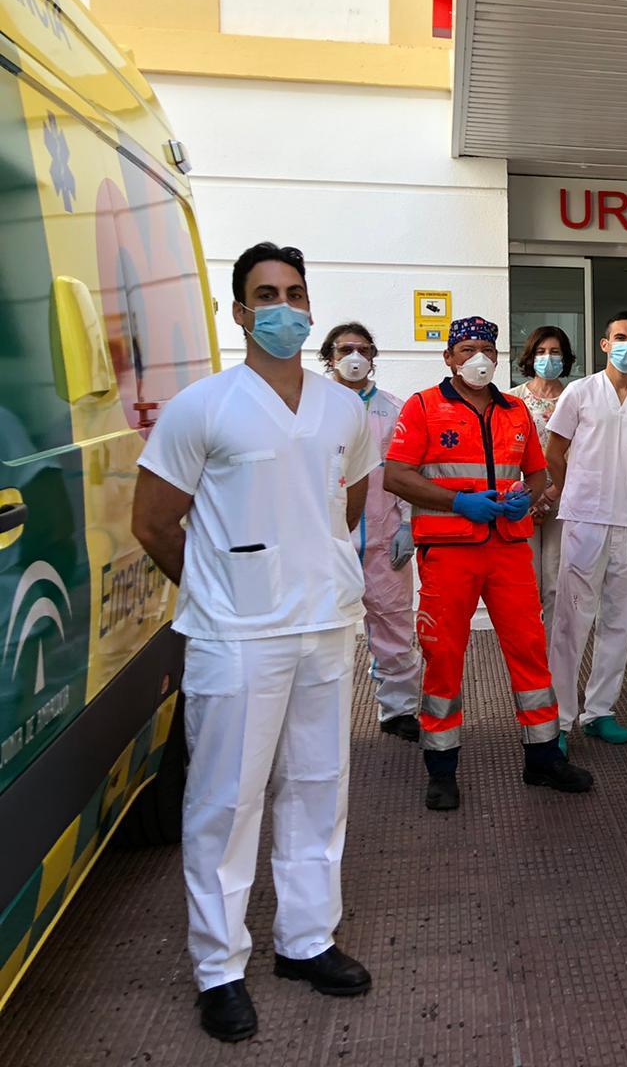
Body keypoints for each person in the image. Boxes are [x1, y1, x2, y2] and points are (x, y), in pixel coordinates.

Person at [131, 243, 377, 1042]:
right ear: (239, 312)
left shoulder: (344, 407)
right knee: (225, 803)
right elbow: (154, 522)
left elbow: (346, 504)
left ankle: (306, 940)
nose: (284, 307)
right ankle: (219, 967)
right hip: (237, 636)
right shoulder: (203, 407)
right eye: (266, 294)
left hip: (325, 626)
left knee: (317, 787)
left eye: (296, 293)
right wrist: (220, 592)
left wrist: (309, 573)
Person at [384, 316, 591, 811]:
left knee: (529, 651)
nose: (478, 357)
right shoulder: (422, 407)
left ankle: (542, 757)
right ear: (449, 357)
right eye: (467, 348)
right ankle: (441, 768)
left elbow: (538, 472)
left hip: (508, 550)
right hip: (449, 553)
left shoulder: (515, 409)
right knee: (444, 658)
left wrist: (529, 497)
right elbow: (395, 475)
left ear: (497, 357)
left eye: (487, 349)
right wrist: (459, 503)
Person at [544, 311, 627, 744]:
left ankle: (600, 711)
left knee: (619, 621)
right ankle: (559, 719)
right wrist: (574, 491)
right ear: (605, 345)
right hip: (584, 520)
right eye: (621, 337)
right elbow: (554, 451)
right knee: (571, 622)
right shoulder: (580, 393)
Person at [319, 322, 422, 741]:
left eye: (363, 349)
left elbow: (406, 469)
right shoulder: (313, 408)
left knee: (395, 622)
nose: (355, 357)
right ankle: (319, 715)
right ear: (330, 357)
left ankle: (398, 710)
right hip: (327, 539)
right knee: (322, 630)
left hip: (384, 538)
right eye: (346, 349)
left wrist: (408, 524)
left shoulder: (394, 410)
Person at [509, 325, 575, 630]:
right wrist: (529, 497)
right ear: (530, 356)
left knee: (555, 580)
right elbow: (507, 454)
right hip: (522, 500)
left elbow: (578, 453)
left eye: (555, 352)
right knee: (528, 581)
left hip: (564, 497)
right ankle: (529, 652)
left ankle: (553, 654)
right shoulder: (512, 400)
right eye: (541, 352)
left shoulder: (575, 398)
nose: (548, 358)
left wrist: (551, 494)